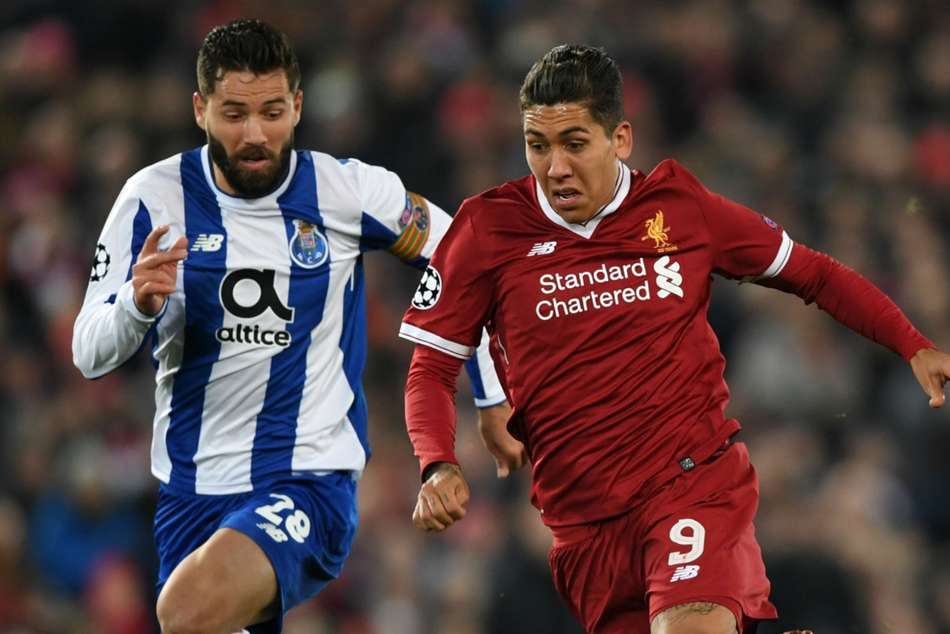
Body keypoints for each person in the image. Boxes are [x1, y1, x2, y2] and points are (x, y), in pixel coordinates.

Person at [400, 44, 950, 634]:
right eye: (538, 145)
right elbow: (431, 367)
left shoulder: (679, 210)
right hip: (582, 530)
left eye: (574, 144)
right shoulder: (485, 229)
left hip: (689, 484)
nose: (555, 166)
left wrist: (911, 342)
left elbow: (811, 273)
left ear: (621, 139)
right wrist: (437, 464)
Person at [71, 19, 507, 634]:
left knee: (186, 610)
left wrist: (492, 395)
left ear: (298, 106)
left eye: (272, 112)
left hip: (307, 482)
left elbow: (468, 263)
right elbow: (87, 351)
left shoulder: (347, 192)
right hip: (188, 496)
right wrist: (136, 305)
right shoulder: (151, 199)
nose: (255, 134)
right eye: (234, 114)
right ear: (200, 110)